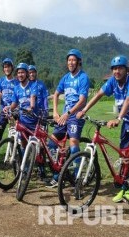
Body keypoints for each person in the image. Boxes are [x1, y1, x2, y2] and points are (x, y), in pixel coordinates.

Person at [77, 55, 129, 205]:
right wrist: (84, 110)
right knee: (124, 157)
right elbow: (99, 94)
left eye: (120, 68)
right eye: (114, 69)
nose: (117, 71)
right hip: (127, 124)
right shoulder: (112, 82)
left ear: (126, 70)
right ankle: (124, 187)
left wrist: (119, 118)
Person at [46, 49, 89, 188]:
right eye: (69, 60)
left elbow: (82, 101)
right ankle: (58, 175)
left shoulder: (83, 77)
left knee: (73, 143)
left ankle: (77, 177)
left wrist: (68, 113)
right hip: (64, 115)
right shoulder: (65, 78)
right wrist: (56, 112)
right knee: (51, 143)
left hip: (75, 116)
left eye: (73, 60)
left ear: (78, 62)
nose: (71, 63)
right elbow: (57, 93)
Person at [0, 58, 19, 149]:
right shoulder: (1, 81)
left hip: (14, 109)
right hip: (3, 109)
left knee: (17, 133)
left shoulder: (17, 82)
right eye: (5, 67)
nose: (6, 69)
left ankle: (17, 153)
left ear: (12, 68)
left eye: (8, 67)